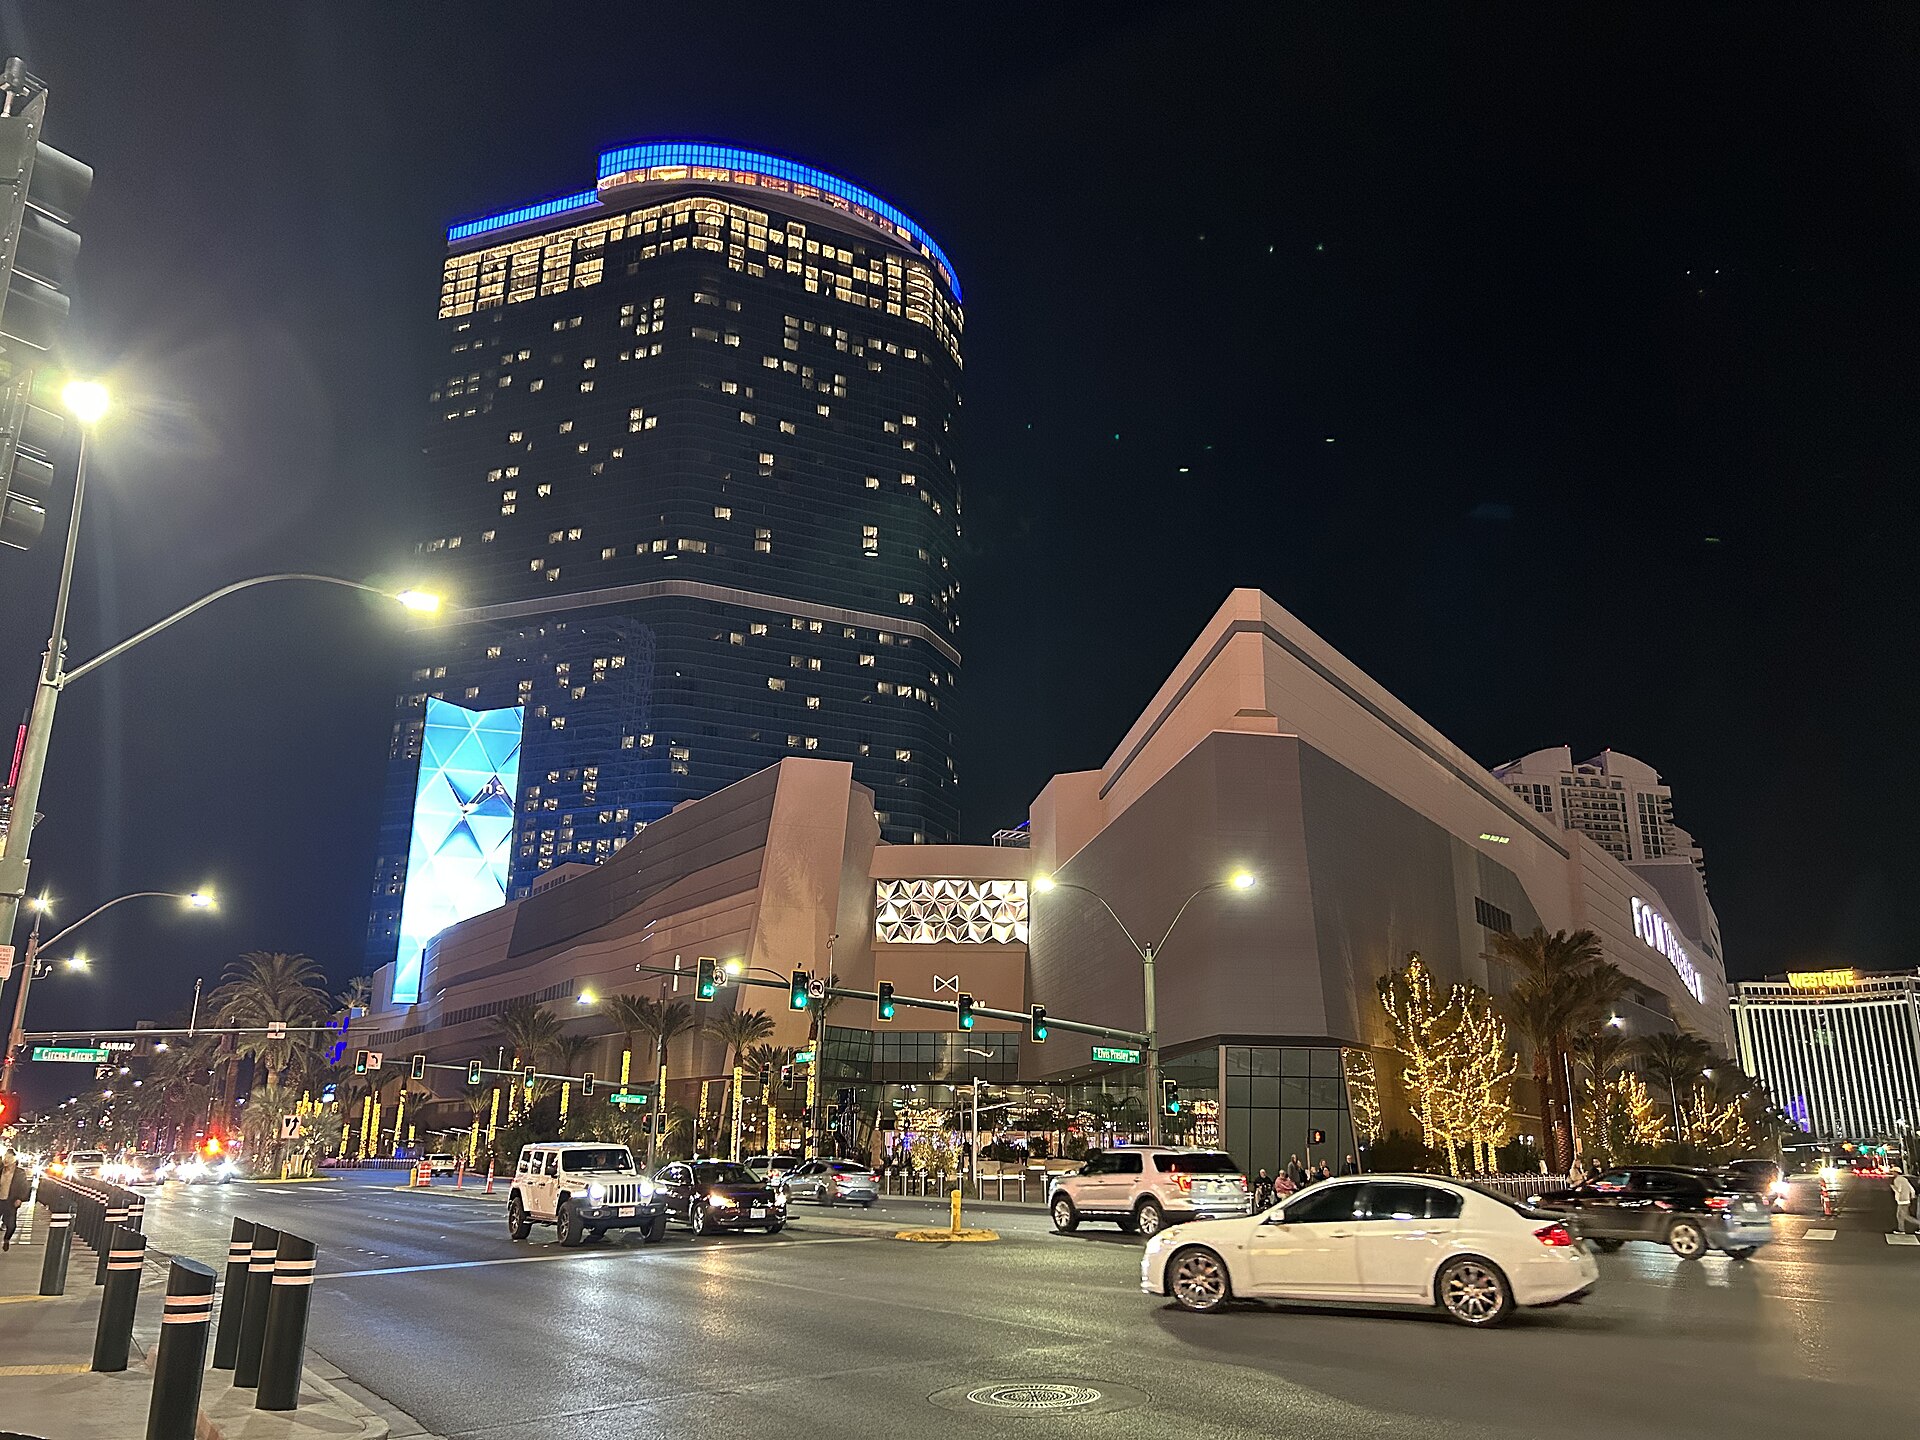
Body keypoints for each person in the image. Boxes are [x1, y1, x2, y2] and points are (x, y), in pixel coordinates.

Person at [0, 1147, 24, 1251]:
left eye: (9, 1158)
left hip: (11, 1201)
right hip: (0, 1200)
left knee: (11, 1225)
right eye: (5, 1158)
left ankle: (6, 1240)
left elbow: (24, 1187)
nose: (6, 1160)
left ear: (14, 1160)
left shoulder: (19, 1173)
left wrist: (20, 1199)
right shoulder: (0, 1171)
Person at [1892, 1169, 1917, 1236]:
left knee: (1906, 1216)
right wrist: (1912, 1196)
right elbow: (1912, 1189)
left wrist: (1893, 1187)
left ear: (1896, 1172)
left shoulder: (1897, 1180)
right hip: (1906, 1200)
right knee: (1899, 1216)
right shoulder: (1905, 1179)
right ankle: (1901, 1230)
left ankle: (1902, 1230)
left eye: (1893, 1172)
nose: (1892, 1173)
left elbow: (1899, 1190)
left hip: (1902, 1200)